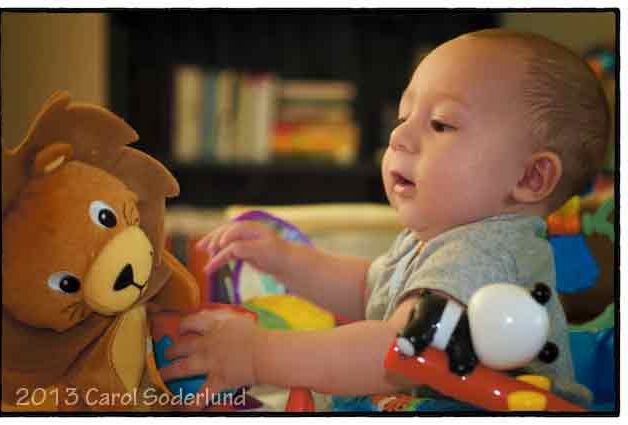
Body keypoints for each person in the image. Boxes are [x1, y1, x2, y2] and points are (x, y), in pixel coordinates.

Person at [159, 28, 610, 409]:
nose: (399, 136)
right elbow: (368, 290)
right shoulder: (442, 241)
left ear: (531, 177)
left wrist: (258, 355)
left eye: (440, 125)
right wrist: (288, 260)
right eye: (403, 116)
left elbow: (394, 355)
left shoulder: (487, 253)